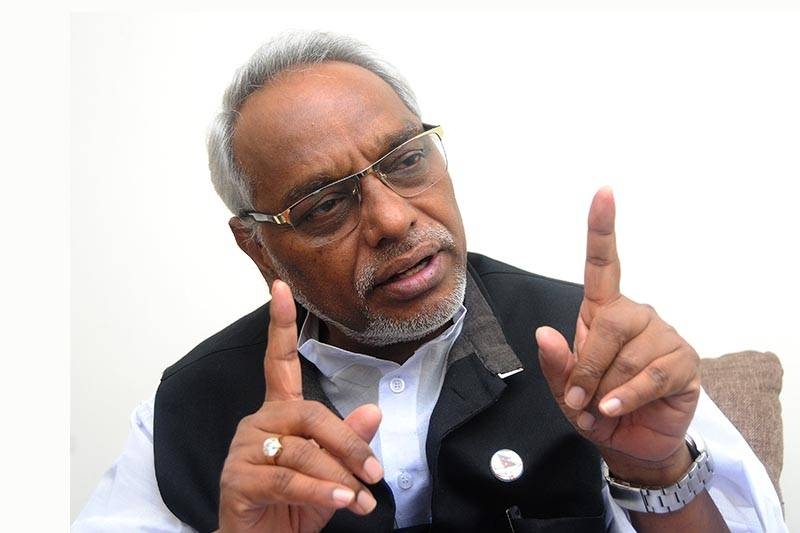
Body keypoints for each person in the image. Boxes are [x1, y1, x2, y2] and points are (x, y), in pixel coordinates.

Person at [73, 31, 786, 533]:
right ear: (258, 247)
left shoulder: (595, 349)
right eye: (324, 205)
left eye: (407, 160)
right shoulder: (189, 408)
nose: (392, 218)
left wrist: (657, 472)